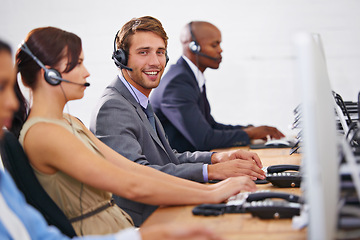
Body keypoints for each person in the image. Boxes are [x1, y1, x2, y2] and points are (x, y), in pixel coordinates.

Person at [13, 27, 256, 236]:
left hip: (122, 229)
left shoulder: (68, 121)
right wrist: (211, 192)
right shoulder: (45, 133)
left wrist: (213, 188)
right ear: (50, 74)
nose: (86, 72)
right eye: (77, 64)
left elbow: (135, 172)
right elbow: (131, 185)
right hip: (104, 234)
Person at [90, 16, 265, 227]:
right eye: (143, 52)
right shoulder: (113, 107)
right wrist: (211, 173)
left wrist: (217, 159)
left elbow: (168, 159)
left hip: (165, 208)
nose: (155, 62)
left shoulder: (138, 99)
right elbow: (138, 174)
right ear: (121, 58)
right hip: (141, 222)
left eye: (160, 52)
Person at [150, 21, 285, 153]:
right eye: (214, 45)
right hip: (178, 169)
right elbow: (204, 139)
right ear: (193, 47)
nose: (220, 50)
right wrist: (249, 134)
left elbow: (210, 126)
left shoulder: (189, 76)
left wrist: (249, 129)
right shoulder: (177, 84)